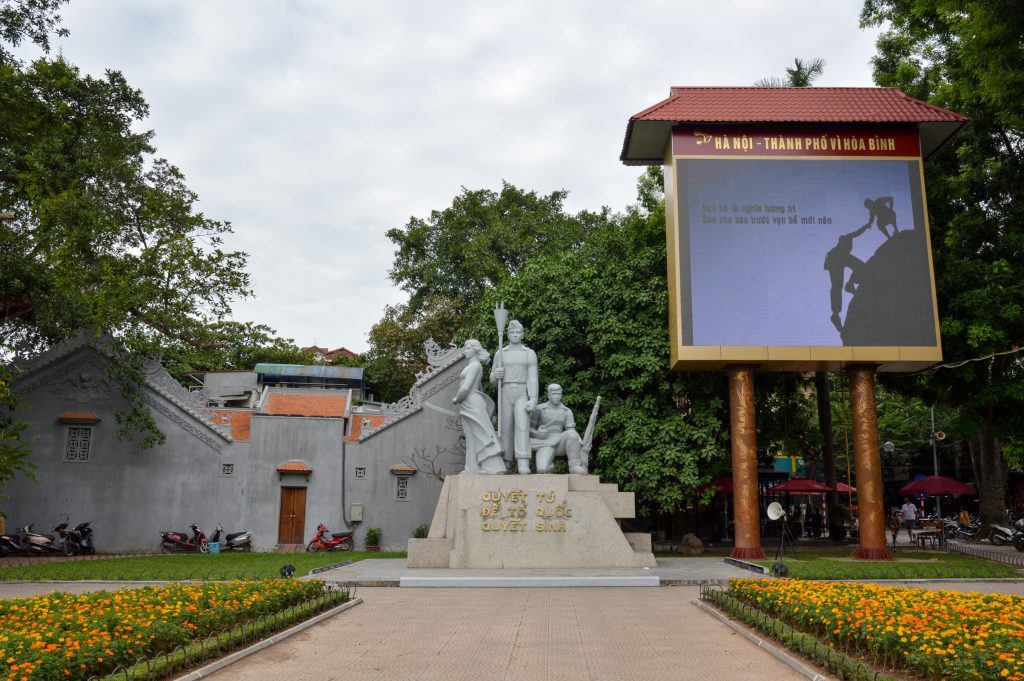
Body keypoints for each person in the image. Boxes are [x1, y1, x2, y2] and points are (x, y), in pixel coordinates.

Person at [489, 320, 538, 475]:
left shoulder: (529, 353)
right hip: (505, 391)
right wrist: (496, 375)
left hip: (521, 391)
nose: (515, 335)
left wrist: (533, 398)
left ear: (522, 334)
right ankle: (506, 462)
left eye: (518, 332)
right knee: (505, 428)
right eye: (512, 332)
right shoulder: (500, 353)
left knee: (523, 426)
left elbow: (532, 378)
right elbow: (491, 378)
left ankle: (523, 462)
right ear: (508, 334)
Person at [452, 340, 506, 475]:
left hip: (470, 400)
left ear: (475, 350)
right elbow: (480, 388)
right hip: (470, 402)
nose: (465, 350)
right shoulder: (473, 366)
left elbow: (465, 388)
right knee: (470, 437)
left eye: (467, 348)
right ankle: (471, 467)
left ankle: (493, 467)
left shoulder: (475, 366)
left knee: (481, 434)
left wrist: (456, 398)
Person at [823, 221, 873, 332]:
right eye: (842, 241)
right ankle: (836, 313)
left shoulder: (842, 244)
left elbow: (857, 233)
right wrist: (866, 226)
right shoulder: (843, 244)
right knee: (838, 285)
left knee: (837, 286)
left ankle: (836, 313)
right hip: (836, 259)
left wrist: (866, 226)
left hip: (836, 259)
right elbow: (857, 233)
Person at [530, 384, 586, 474]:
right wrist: (536, 433)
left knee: (571, 434)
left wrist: (579, 441)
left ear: (561, 395)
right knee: (542, 470)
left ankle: (574, 465)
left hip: (560, 442)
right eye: (554, 394)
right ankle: (549, 467)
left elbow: (571, 430)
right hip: (544, 443)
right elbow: (528, 429)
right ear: (548, 395)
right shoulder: (539, 409)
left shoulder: (566, 411)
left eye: (558, 394)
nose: (556, 396)